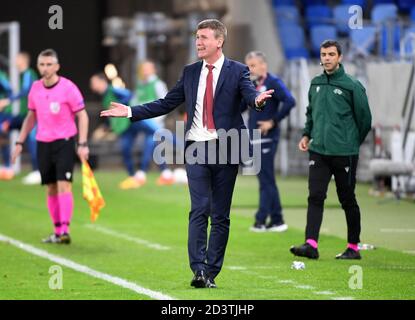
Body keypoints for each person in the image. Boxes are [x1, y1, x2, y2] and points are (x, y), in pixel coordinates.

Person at [101, 19, 274, 288]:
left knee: (220, 215)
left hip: (228, 147)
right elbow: (167, 103)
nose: (199, 42)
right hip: (196, 148)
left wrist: (259, 102)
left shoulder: (238, 71)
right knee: (199, 209)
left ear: (219, 41)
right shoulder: (191, 72)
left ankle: (211, 272)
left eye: (204, 37)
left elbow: (250, 95)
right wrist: (131, 111)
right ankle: (198, 270)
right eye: (197, 37)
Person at [290, 40, 372, 260]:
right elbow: (311, 113)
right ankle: (311, 244)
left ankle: (353, 248)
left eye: (331, 54)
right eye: (324, 54)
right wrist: (307, 135)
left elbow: (365, 119)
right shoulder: (315, 83)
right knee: (315, 196)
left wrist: (352, 143)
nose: (326, 58)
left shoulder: (352, 85)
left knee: (347, 199)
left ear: (340, 57)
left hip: (344, 152)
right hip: (318, 151)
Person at [12, 49, 89, 244]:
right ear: (37, 66)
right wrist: (20, 142)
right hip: (43, 142)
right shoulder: (36, 88)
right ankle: (57, 231)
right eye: (41, 65)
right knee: (51, 188)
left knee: (64, 184)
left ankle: (65, 229)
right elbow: (31, 116)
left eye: (49, 64)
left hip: (64, 142)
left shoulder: (68, 88)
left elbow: (82, 115)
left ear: (57, 67)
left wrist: (82, 143)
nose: (45, 68)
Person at [90, 73, 174, 189]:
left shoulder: (113, 90)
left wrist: (124, 107)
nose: (92, 86)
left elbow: (129, 95)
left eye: (93, 83)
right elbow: (111, 117)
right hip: (125, 127)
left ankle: (165, 172)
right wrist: (104, 128)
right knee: (125, 148)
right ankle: (134, 177)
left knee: (158, 135)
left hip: (133, 120)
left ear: (102, 81)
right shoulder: (104, 97)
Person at [243, 51, 296, 233]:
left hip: (267, 138)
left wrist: (272, 121)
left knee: (265, 180)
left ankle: (260, 219)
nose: (249, 69)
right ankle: (277, 220)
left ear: (263, 65)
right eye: (247, 65)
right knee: (266, 180)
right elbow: (244, 106)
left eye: (253, 65)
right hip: (254, 137)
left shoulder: (273, 82)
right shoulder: (252, 84)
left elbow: (290, 101)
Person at [0, 52, 40, 184]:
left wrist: (8, 101)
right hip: (23, 116)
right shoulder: (24, 75)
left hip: (33, 114)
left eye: (17, 59)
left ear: (23, 60)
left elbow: (25, 90)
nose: (15, 62)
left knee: (33, 140)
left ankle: (37, 171)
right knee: (3, 128)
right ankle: (7, 167)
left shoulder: (29, 73)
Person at [0, 70, 13, 180]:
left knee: (3, 138)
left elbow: (10, 92)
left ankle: (7, 167)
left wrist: (4, 103)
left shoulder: (1, 76)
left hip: (2, 114)